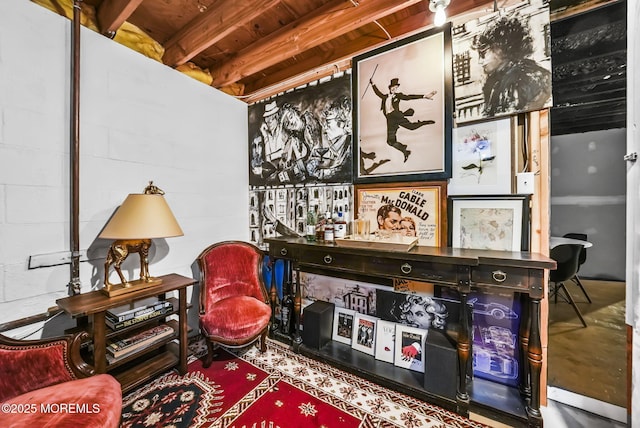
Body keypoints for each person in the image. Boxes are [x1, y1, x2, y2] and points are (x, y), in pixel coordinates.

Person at [472, 15, 552, 117]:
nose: (480, 61)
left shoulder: (520, 78)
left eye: (483, 54)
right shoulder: (497, 81)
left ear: (500, 48)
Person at [369, 78, 437, 162]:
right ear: (389, 88)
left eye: (396, 88)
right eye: (393, 87)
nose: (394, 89)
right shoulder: (385, 97)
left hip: (397, 116)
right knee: (390, 142)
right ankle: (405, 151)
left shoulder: (398, 96)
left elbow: (409, 97)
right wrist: (372, 84)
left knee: (411, 127)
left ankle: (424, 122)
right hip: (390, 120)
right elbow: (377, 93)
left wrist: (424, 96)